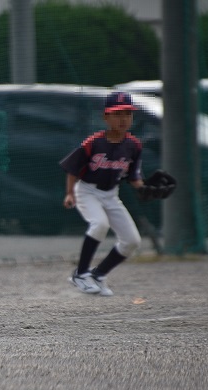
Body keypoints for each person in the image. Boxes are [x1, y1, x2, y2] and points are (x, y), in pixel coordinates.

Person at [59, 91, 144, 296]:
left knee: (132, 240)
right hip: (87, 191)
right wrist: (70, 193)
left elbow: (133, 177)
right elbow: (72, 169)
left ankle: (98, 275)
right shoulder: (94, 142)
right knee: (99, 224)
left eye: (128, 114)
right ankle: (81, 274)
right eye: (117, 114)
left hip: (111, 195)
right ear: (106, 117)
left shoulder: (133, 145)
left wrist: (147, 189)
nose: (123, 119)